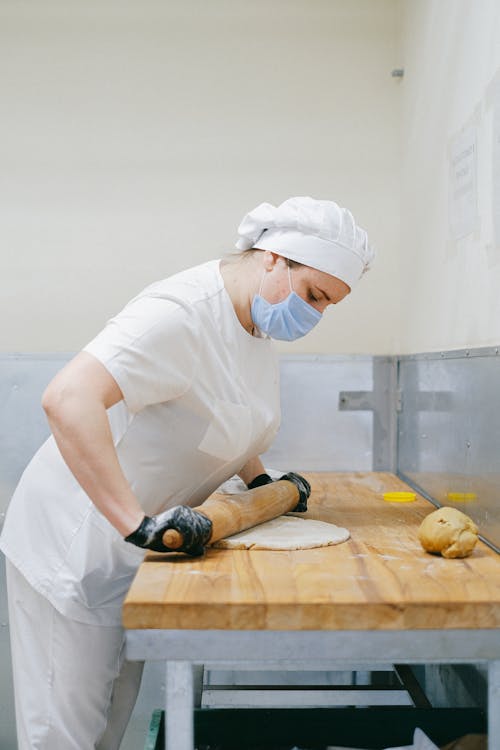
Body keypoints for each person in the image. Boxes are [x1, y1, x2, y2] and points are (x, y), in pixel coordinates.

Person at [0, 196, 374, 749]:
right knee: (64, 737)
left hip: (138, 553)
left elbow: (225, 417)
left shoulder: (254, 325)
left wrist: (259, 484)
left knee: (107, 727)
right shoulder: (181, 312)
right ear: (273, 257)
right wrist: (134, 523)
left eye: (328, 306)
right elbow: (67, 398)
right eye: (314, 295)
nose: (314, 316)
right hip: (76, 546)